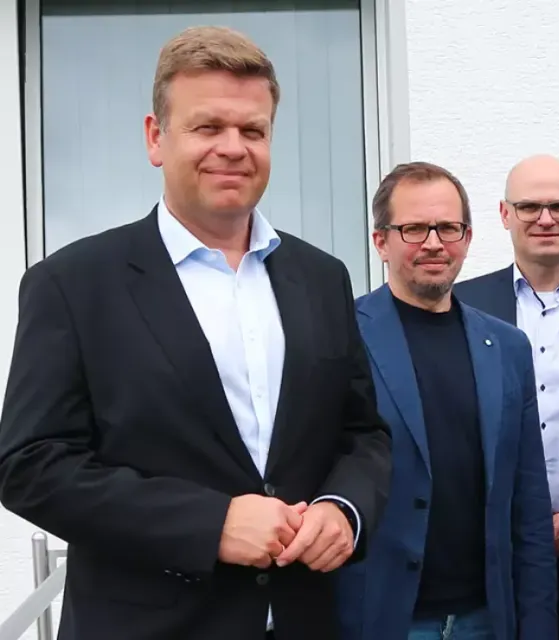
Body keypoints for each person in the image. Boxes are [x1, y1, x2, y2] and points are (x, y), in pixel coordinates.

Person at [0, 26, 391, 640]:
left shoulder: (321, 277)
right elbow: (32, 466)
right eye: (208, 128)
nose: (233, 148)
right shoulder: (72, 284)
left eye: (253, 130)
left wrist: (344, 511)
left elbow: (362, 433)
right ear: (157, 139)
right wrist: (209, 524)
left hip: (303, 621)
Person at [335, 161, 556, 640]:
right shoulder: (341, 337)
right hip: (382, 618)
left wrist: (538, 625)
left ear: (468, 237)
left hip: (485, 618)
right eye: (414, 228)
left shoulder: (507, 347)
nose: (434, 243)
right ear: (381, 242)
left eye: (448, 228)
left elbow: (529, 506)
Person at [456, 154, 559, 639]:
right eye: (529, 206)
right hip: (491, 556)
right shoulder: (462, 307)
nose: (545, 219)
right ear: (504, 215)